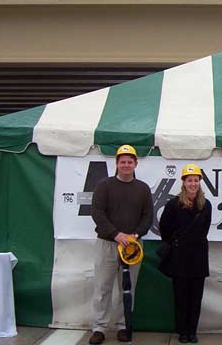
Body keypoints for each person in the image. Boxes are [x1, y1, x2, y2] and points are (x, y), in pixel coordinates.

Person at [89, 144, 154, 345]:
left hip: (133, 246)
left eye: (130, 161)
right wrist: (116, 234)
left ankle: (124, 326)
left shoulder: (143, 188)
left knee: (127, 288)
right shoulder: (104, 186)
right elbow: (98, 213)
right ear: (116, 163)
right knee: (102, 287)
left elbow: (147, 216)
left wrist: (135, 235)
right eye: (122, 161)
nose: (126, 165)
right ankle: (99, 327)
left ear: (135, 164)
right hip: (107, 244)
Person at [159, 164, 212, 344]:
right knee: (181, 296)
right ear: (183, 182)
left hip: (198, 257)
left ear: (199, 182)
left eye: (196, 180)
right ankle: (182, 331)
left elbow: (204, 230)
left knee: (196, 297)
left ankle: (192, 330)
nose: (193, 183)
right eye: (189, 180)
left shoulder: (206, 205)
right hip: (179, 258)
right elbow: (164, 228)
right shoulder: (174, 204)